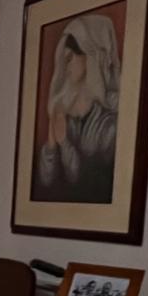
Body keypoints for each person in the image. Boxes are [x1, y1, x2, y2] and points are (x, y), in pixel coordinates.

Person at [36, 13, 120, 204]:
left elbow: (85, 184)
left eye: (70, 58)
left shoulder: (109, 123)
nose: (65, 65)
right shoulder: (65, 114)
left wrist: (64, 143)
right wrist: (52, 144)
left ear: (90, 56)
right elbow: (46, 182)